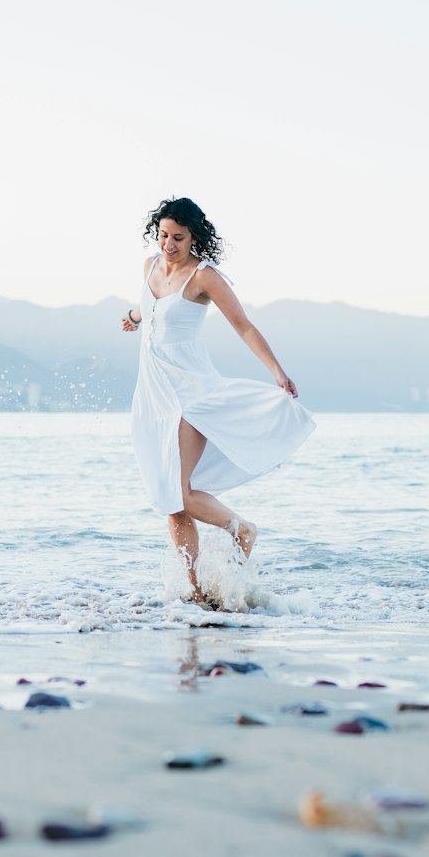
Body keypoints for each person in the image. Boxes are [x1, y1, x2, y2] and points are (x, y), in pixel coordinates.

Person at [122, 196, 314, 606]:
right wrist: (134, 317)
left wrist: (277, 372)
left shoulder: (204, 277)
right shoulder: (150, 267)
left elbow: (243, 327)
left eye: (178, 238)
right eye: (162, 236)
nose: (168, 245)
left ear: (194, 237)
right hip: (153, 394)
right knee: (171, 504)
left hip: (191, 393)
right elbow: (149, 305)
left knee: (180, 491)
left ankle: (241, 529)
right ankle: (192, 596)